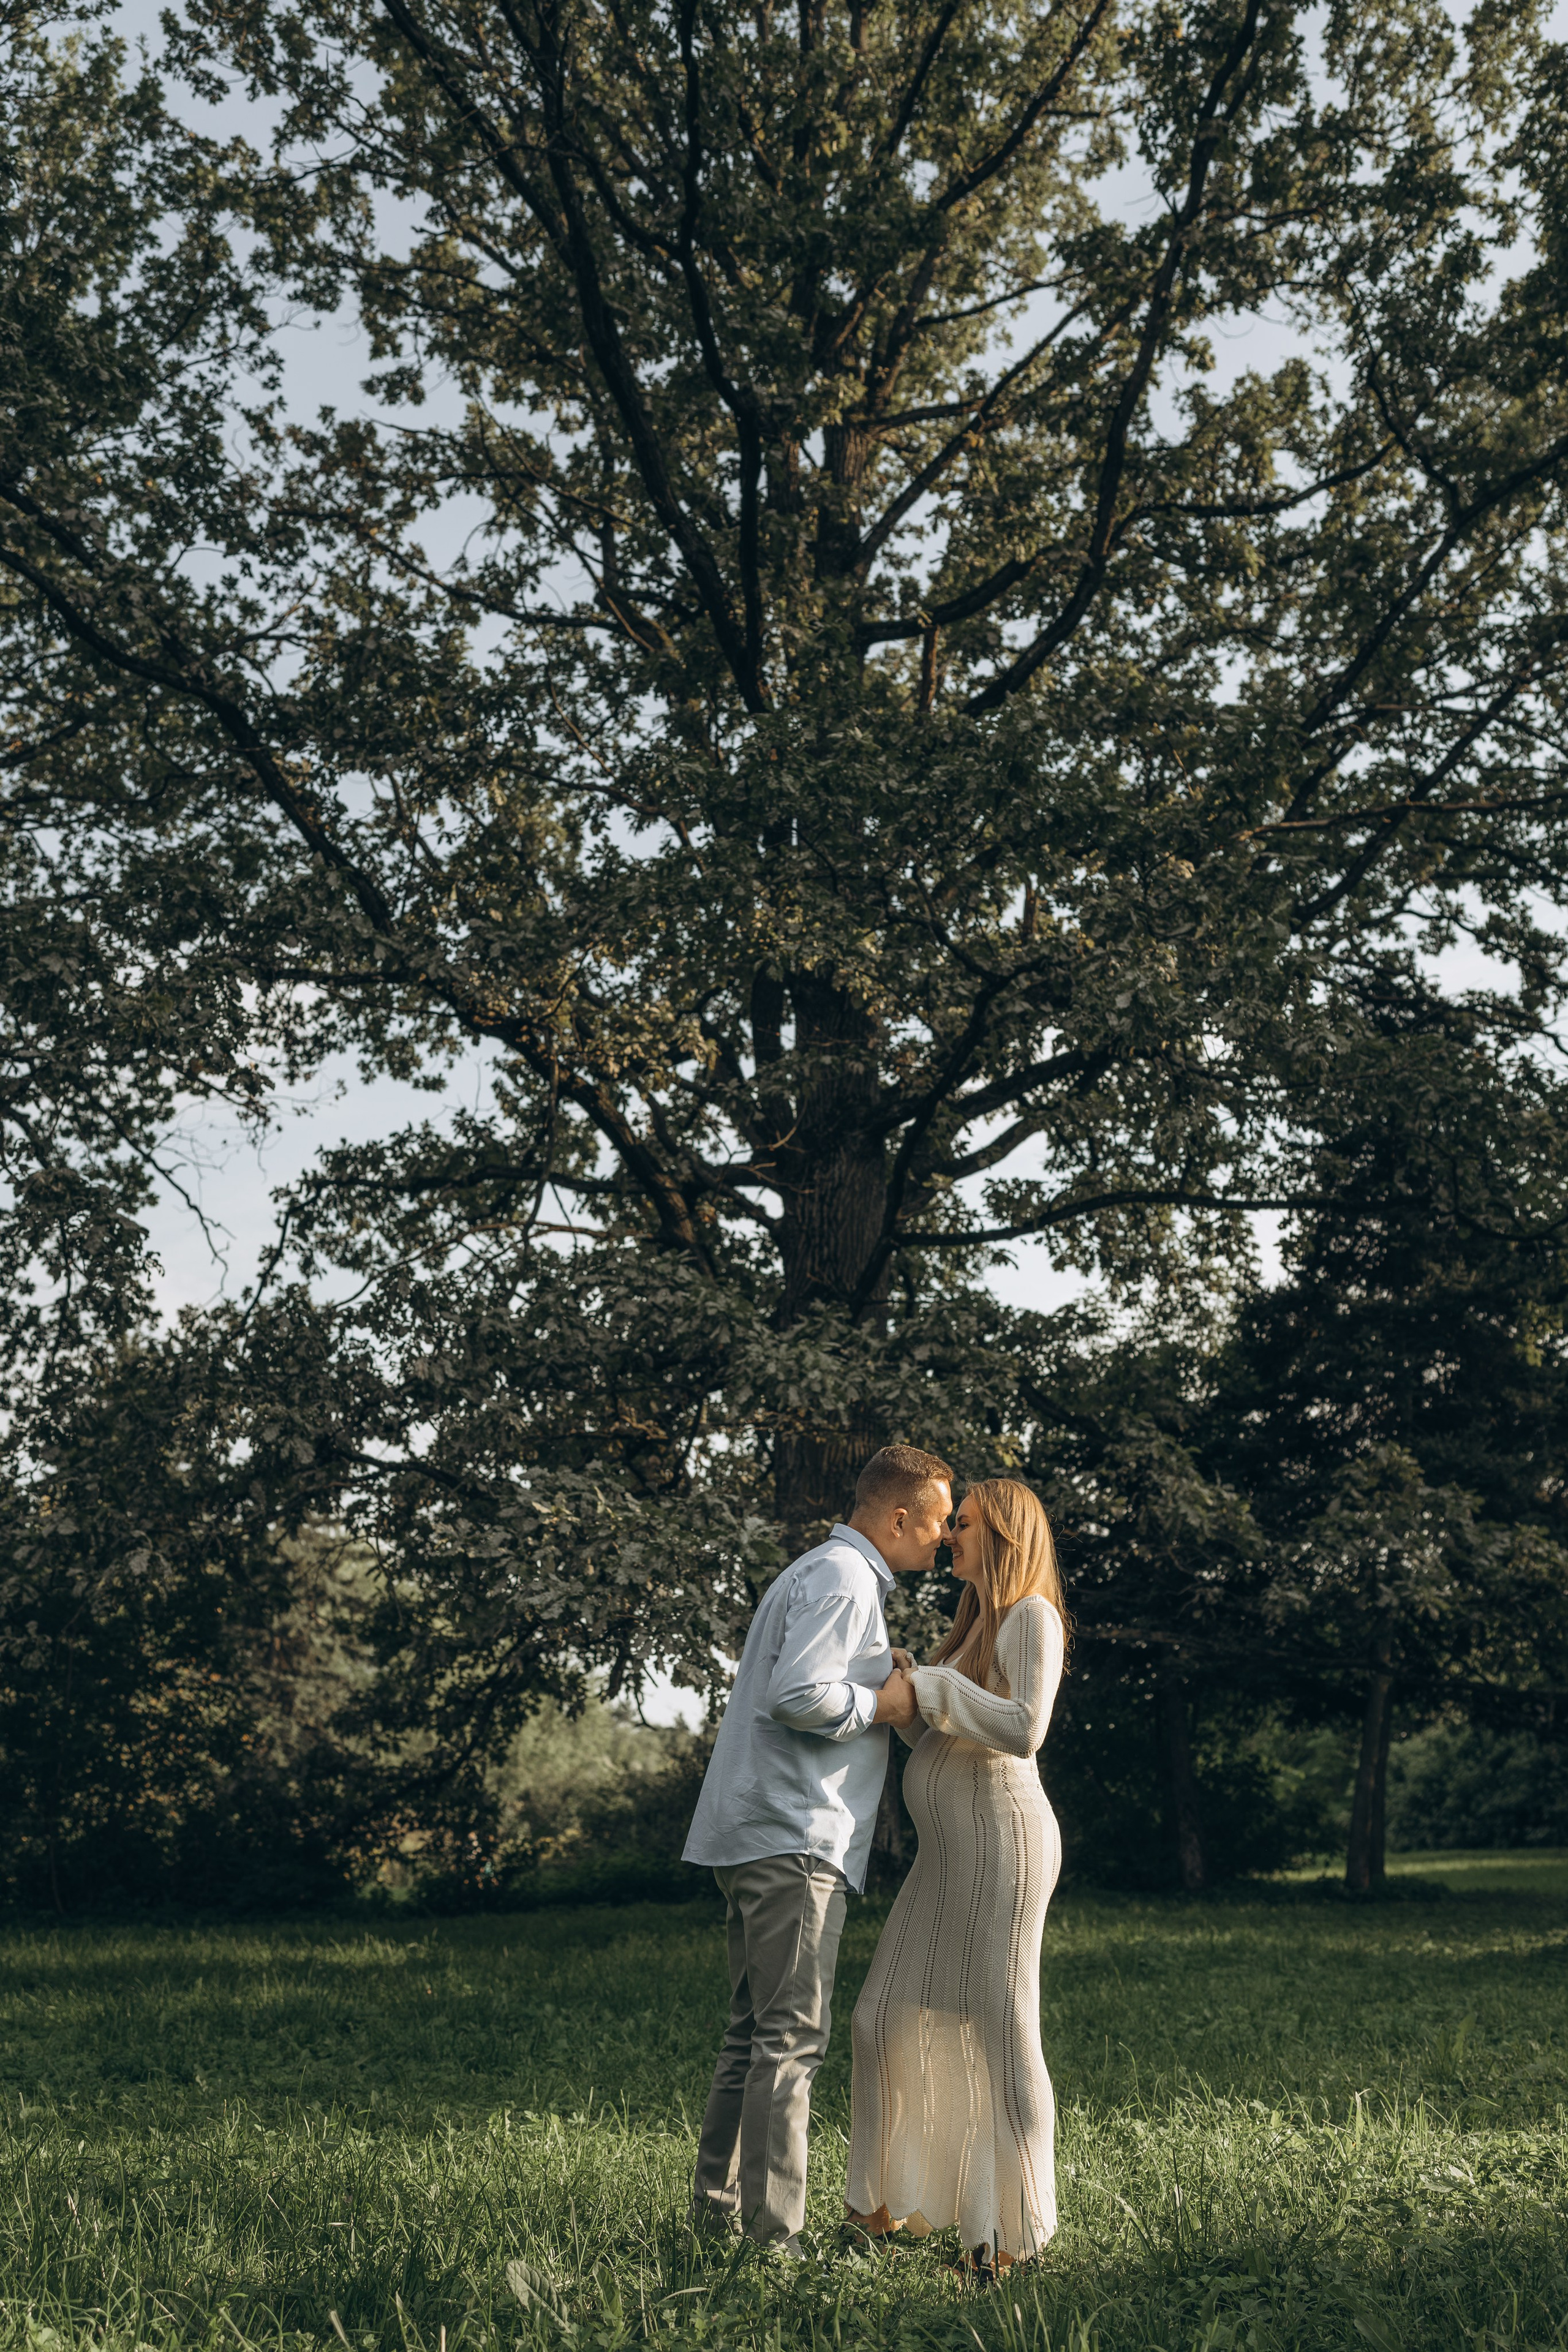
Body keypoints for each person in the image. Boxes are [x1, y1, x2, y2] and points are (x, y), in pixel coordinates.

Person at [682, 1444, 953, 2256]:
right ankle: (775, 2242)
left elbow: (809, 1678)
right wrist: (882, 1702)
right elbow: (800, 1695)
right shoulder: (844, 1579)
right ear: (900, 1516)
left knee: (752, 2033)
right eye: (939, 1522)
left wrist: (879, 1673)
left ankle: (717, 2217)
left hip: (755, 1831)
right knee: (790, 2039)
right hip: (796, 1838)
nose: (942, 1540)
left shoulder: (817, 1571)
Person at [845, 1478, 1067, 2285]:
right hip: (947, 1856)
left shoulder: (1031, 1616)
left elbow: (1023, 1729)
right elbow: (941, 1744)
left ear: (1005, 1535)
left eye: (963, 1525)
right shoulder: (968, 1630)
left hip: (1003, 1845)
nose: (949, 1539)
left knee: (1003, 2030)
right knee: (877, 2018)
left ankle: (1016, 2236)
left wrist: (934, 1690)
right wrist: (916, 1705)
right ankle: (886, 2202)